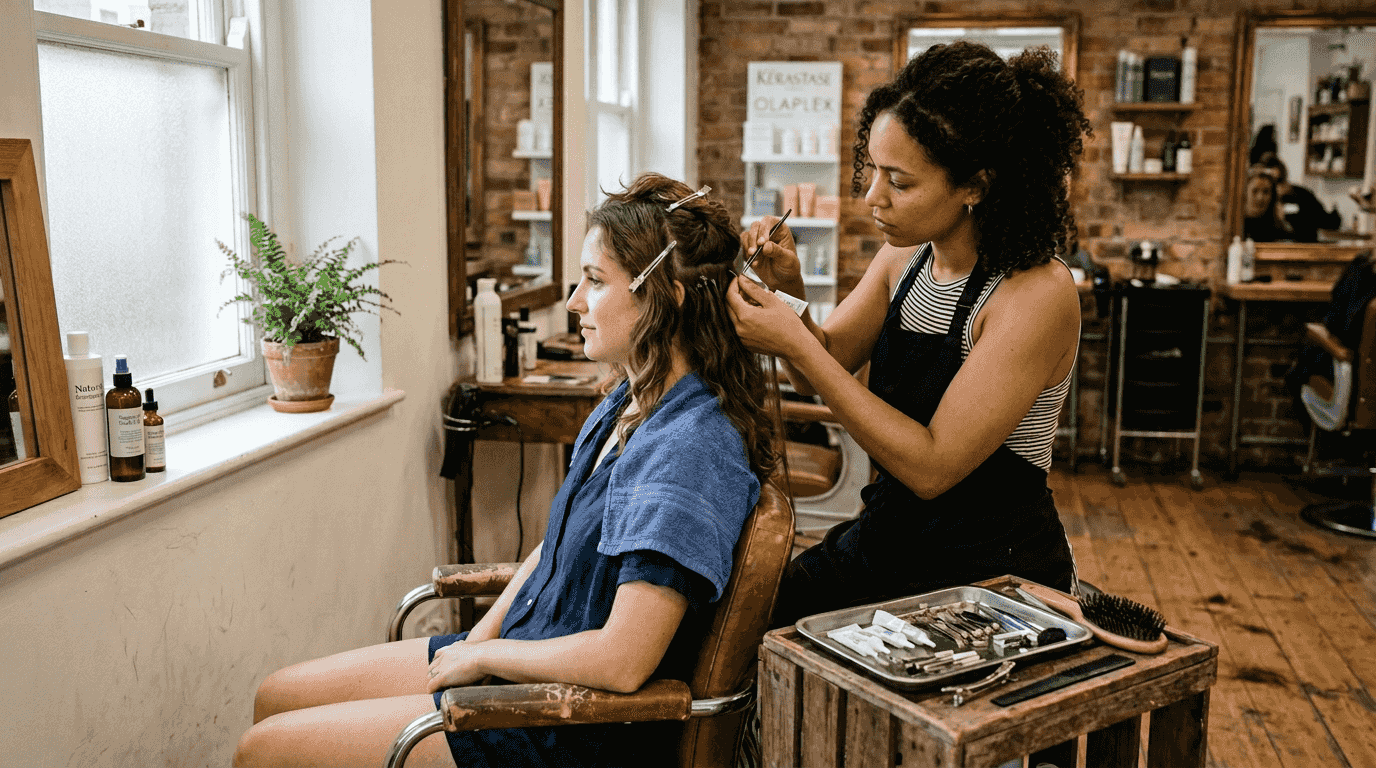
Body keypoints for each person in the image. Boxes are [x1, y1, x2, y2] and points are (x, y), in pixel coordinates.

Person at [233, 173, 780, 768]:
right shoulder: (629, 402)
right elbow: (552, 550)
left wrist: (489, 662)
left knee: (263, 751)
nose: (573, 301)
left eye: (595, 281)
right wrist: (480, 639)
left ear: (667, 295)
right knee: (275, 697)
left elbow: (623, 661)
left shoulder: (689, 449)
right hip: (529, 653)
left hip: (570, 726)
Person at [729, 41, 1089, 627]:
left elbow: (931, 467)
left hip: (990, 573)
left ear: (975, 185)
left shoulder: (1035, 294)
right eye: (871, 170)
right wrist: (791, 294)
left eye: (899, 181)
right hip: (893, 536)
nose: (872, 197)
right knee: (754, 624)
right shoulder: (907, 262)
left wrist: (793, 340)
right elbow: (829, 360)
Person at [1257, 153, 1341, 242]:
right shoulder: (1259, 204)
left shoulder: (1303, 195)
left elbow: (1326, 221)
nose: (1261, 196)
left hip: (1303, 247)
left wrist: (1335, 214)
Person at [1243, 166, 1292, 242]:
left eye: (1266, 192)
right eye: (1255, 191)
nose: (1260, 197)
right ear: (1245, 193)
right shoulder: (1235, 225)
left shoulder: (1280, 229)